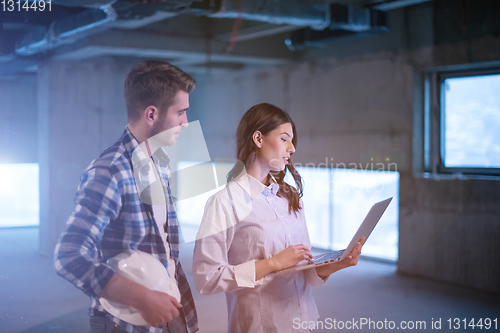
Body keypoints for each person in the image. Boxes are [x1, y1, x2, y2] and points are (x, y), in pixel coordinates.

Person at [192, 103, 365, 332]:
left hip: (303, 323)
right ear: (258, 138)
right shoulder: (224, 202)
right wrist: (272, 264)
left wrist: (337, 264)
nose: (292, 148)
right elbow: (207, 278)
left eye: (292, 140)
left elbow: (305, 271)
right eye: (285, 139)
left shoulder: (291, 198)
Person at [54, 59, 198, 333]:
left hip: (167, 309)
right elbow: (69, 256)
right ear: (152, 115)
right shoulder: (110, 171)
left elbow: (163, 246)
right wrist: (142, 298)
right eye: (180, 112)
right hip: (125, 322)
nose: (186, 122)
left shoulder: (159, 162)